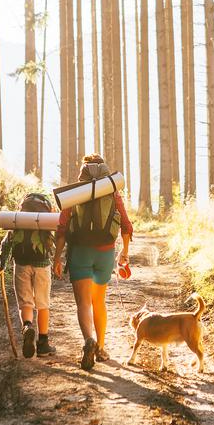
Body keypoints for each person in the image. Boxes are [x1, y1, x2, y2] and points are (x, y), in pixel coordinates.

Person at [53, 154, 132, 371]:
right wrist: (124, 252)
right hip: (105, 253)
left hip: (80, 252)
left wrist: (57, 257)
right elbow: (126, 225)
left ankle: (89, 340)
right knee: (99, 301)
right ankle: (101, 347)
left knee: (83, 303)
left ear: (83, 172)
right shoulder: (112, 192)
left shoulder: (75, 194)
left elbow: (61, 228)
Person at [0, 192, 56, 358]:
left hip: (21, 265)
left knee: (26, 303)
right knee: (43, 304)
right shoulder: (44, 221)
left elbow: (6, 243)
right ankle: (43, 344)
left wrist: (1, 264)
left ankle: (27, 327)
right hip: (42, 266)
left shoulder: (18, 221)